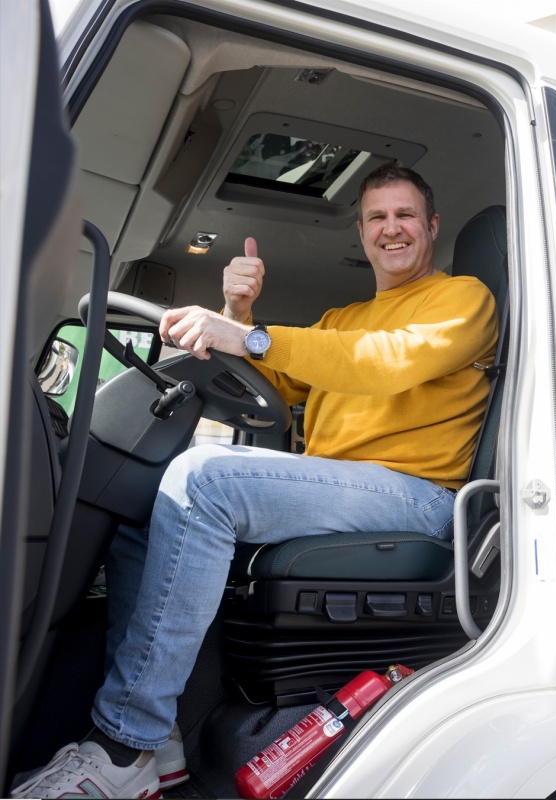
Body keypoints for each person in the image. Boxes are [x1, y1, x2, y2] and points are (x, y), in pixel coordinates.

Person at [12, 164, 498, 799]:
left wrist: (253, 333)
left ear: (432, 226)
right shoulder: (339, 317)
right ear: (361, 231)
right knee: (145, 514)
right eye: (377, 217)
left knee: (204, 480)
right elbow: (273, 383)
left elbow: (385, 363)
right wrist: (235, 312)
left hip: (417, 495)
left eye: (405, 215)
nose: (392, 229)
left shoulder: (463, 299)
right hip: (340, 488)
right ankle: (159, 751)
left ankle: (123, 743)